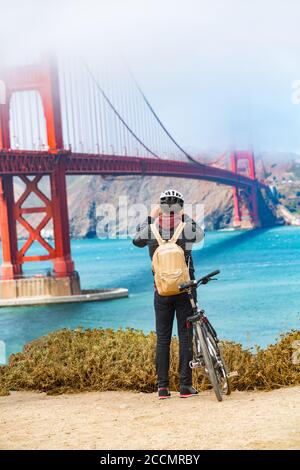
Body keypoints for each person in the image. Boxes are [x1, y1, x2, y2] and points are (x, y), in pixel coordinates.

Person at [133, 189, 204, 399]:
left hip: (161, 291)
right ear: (180, 208)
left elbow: (136, 240)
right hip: (186, 291)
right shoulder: (185, 229)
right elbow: (200, 235)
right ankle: (185, 386)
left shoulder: (151, 230)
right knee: (185, 337)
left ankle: (162, 388)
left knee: (163, 338)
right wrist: (185, 216)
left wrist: (149, 216)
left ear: (161, 208)